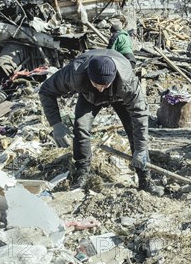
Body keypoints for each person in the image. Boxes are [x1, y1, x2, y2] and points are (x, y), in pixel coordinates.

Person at [39, 49, 151, 191]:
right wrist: (56, 124)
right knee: (80, 127)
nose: (100, 89)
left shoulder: (127, 81)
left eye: (104, 85)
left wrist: (141, 150)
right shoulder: (75, 73)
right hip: (88, 96)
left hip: (119, 95)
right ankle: (82, 171)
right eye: (97, 84)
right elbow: (46, 90)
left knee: (132, 128)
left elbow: (140, 114)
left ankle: (145, 178)